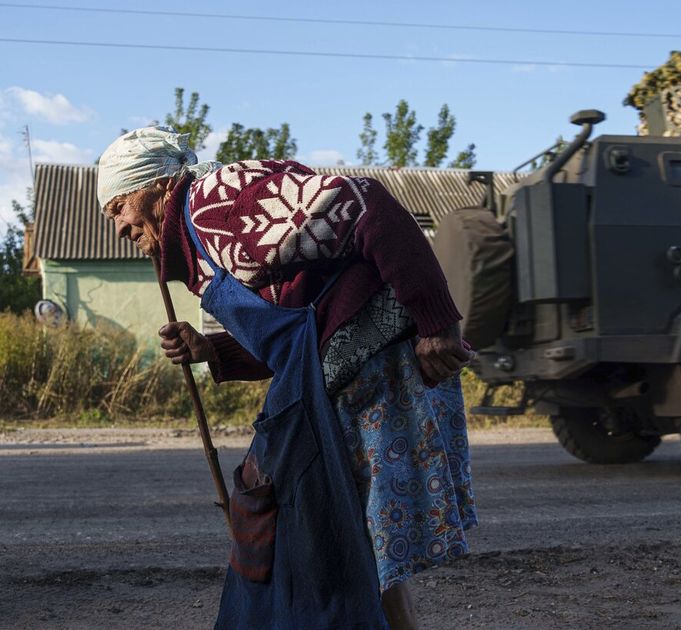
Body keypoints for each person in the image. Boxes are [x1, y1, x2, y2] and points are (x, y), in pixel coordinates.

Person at [98, 126, 477, 629]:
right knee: (352, 534)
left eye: (117, 209)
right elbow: (297, 331)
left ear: (152, 185)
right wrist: (214, 349)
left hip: (373, 371)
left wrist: (437, 322)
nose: (120, 229)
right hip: (335, 383)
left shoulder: (219, 204)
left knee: (313, 527)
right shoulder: (200, 245)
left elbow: (366, 205)